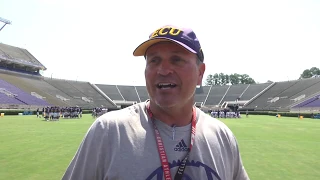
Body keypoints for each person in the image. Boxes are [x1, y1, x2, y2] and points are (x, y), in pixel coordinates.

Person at [62, 25, 250, 180]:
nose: (163, 69)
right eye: (154, 60)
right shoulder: (109, 131)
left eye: (176, 59)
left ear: (200, 73)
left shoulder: (222, 137)